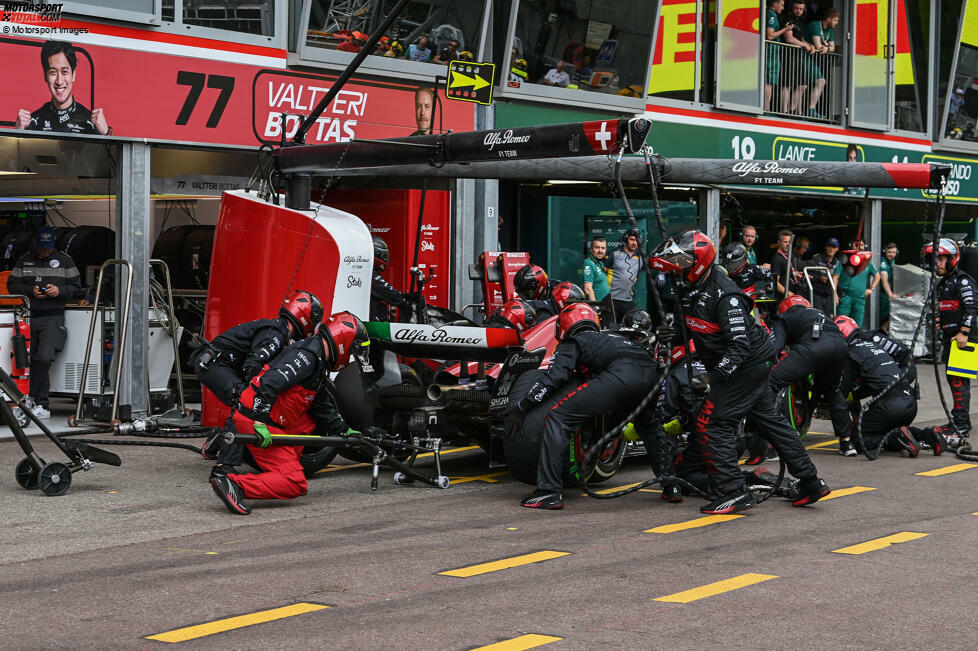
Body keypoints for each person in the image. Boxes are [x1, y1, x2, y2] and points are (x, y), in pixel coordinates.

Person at [649, 230, 830, 514]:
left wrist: (712, 378)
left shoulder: (726, 296)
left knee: (711, 424)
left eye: (683, 267)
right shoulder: (690, 287)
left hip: (745, 367)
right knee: (772, 423)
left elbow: (739, 348)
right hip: (749, 368)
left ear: (698, 264)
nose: (678, 274)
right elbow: (694, 326)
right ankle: (810, 481)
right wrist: (670, 333)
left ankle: (733, 491)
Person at [210, 312, 371, 515]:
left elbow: (321, 407)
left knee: (311, 417)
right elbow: (270, 382)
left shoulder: (317, 356)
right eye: (352, 350)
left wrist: (345, 431)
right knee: (295, 483)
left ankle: (283, 463)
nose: (349, 358)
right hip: (258, 419)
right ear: (343, 342)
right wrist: (259, 422)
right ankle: (235, 484)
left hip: (267, 416)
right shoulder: (307, 356)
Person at [504, 304, 660, 509]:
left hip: (622, 375)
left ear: (564, 326)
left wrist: (522, 407)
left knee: (558, 418)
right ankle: (671, 485)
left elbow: (554, 378)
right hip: (652, 376)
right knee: (648, 426)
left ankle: (549, 491)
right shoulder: (614, 337)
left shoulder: (573, 341)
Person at [833, 315, 942, 457]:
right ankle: (927, 435)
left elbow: (841, 392)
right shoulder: (874, 346)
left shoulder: (850, 354)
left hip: (890, 406)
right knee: (889, 429)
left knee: (856, 439)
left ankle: (898, 439)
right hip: (909, 402)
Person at [195, 290, 323, 409]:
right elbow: (252, 365)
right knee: (246, 401)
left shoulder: (277, 330)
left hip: (219, 363)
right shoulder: (276, 334)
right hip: (213, 363)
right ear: (306, 318)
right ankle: (231, 432)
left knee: (248, 400)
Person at [6, 227, 81, 418]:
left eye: (49, 247)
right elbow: (11, 285)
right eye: (42, 247)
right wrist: (31, 291)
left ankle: (41, 403)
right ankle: (32, 400)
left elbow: (77, 289)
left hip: (52, 318)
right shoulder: (24, 259)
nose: (45, 250)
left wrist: (60, 291)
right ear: (36, 244)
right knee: (25, 361)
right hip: (29, 317)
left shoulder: (65, 260)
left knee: (44, 358)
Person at [768, 295, 852, 454]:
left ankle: (771, 443)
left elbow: (774, 346)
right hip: (841, 346)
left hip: (813, 347)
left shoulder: (784, 317)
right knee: (832, 390)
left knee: (772, 382)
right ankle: (846, 443)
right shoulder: (819, 313)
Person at [916, 238, 977, 448]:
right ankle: (959, 421)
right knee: (954, 380)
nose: (938, 264)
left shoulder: (963, 281)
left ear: (952, 259)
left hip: (964, 340)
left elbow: (971, 308)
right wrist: (941, 322)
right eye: (936, 260)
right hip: (952, 339)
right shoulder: (944, 284)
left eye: (941, 259)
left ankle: (961, 425)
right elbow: (948, 308)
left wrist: (963, 332)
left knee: (959, 381)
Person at [15, 40, 112, 135]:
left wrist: (106, 133)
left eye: (64, 72)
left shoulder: (91, 122)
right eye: (53, 72)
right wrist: (17, 134)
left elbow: (112, 150)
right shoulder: (33, 122)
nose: (59, 81)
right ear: (45, 76)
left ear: (73, 75)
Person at [803, 8, 839, 118]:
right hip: (803, 56)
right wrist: (827, 48)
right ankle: (810, 110)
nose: (836, 23)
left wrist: (827, 49)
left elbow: (832, 47)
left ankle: (804, 110)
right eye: (835, 20)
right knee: (820, 81)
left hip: (812, 59)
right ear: (828, 19)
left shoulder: (830, 31)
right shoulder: (815, 25)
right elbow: (818, 46)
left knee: (804, 85)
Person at [781, 0, 817, 114]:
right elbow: (789, 39)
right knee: (788, 84)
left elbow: (800, 39)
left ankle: (793, 110)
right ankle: (784, 111)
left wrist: (810, 45)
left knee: (803, 85)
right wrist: (804, 46)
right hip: (788, 55)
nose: (798, 11)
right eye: (796, 8)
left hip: (797, 56)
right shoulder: (788, 20)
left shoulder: (800, 22)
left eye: (801, 9)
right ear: (792, 8)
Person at [370, 236, 414, 321]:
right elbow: (391, 294)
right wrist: (404, 303)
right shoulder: (370, 276)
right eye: (383, 255)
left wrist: (406, 296)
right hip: (371, 324)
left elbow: (388, 292)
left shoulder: (368, 273)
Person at [836, 239, 878, 327]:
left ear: (865, 247)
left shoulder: (867, 262)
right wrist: (835, 294)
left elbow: (877, 276)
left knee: (857, 327)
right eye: (856, 244)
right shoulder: (844, 260)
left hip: (860, 299)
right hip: (845, 297)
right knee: (840, 324)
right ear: (851, 246)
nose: (859, 246)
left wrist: (871, 289)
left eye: (861, 245)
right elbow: (835, 277)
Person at [609, 228, 643, 322]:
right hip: (612, 300)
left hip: (628, 302)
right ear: (626, 239)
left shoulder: (640, 259)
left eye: (637, 240)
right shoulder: (614, 254)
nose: (634, 243)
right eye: (632, 239)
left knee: (627, 330)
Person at [765, 0, 792, 111]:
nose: (783, 8)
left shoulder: (771, 14)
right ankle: (766, 109)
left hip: (772, 53)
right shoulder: (771, 15)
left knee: (770, 81)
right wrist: (785, 29)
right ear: (775, 4)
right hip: (770, 53)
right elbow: (770, 35)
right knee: (769, 82)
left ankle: (766, 108)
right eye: (781, 5)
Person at [809, 237, 840, 316]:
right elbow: (808, 275)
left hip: (829, 296)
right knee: (818, 317)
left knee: (828, 319)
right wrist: (819, 279)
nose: (831, 249)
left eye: (833, 247)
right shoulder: (816, 258)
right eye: (829, 246)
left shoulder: (837, 263)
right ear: (826, 247)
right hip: (817, 294)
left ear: (837, 249)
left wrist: (836, 295)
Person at [581, 236, 611, 303]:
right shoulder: (588, 263)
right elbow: (587, 288)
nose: (600, 251)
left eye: (603, 248)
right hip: (597, 308)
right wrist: (595, 307)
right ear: (591, 249)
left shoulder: (600, 263)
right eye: (597, 247)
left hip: (604, 306)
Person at [769, 229, 797, 300]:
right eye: (785, 242)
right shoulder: (777, 258)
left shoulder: (789, 257)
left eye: (789, 242)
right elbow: (775, 282)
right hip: (783, 298)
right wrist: (789, 294)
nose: (788, 244)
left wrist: (797, 274)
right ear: (779, 242)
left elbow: (784, 275)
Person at [878, 242, 899, 332]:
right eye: (889, 252)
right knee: (884, 317)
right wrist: (890, 294)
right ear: (885, 252)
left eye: (893, 252)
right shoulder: (883, 263)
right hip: (884, 296)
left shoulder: (893, 262)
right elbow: (884, 281)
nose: (891, 254)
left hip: (890, 295)